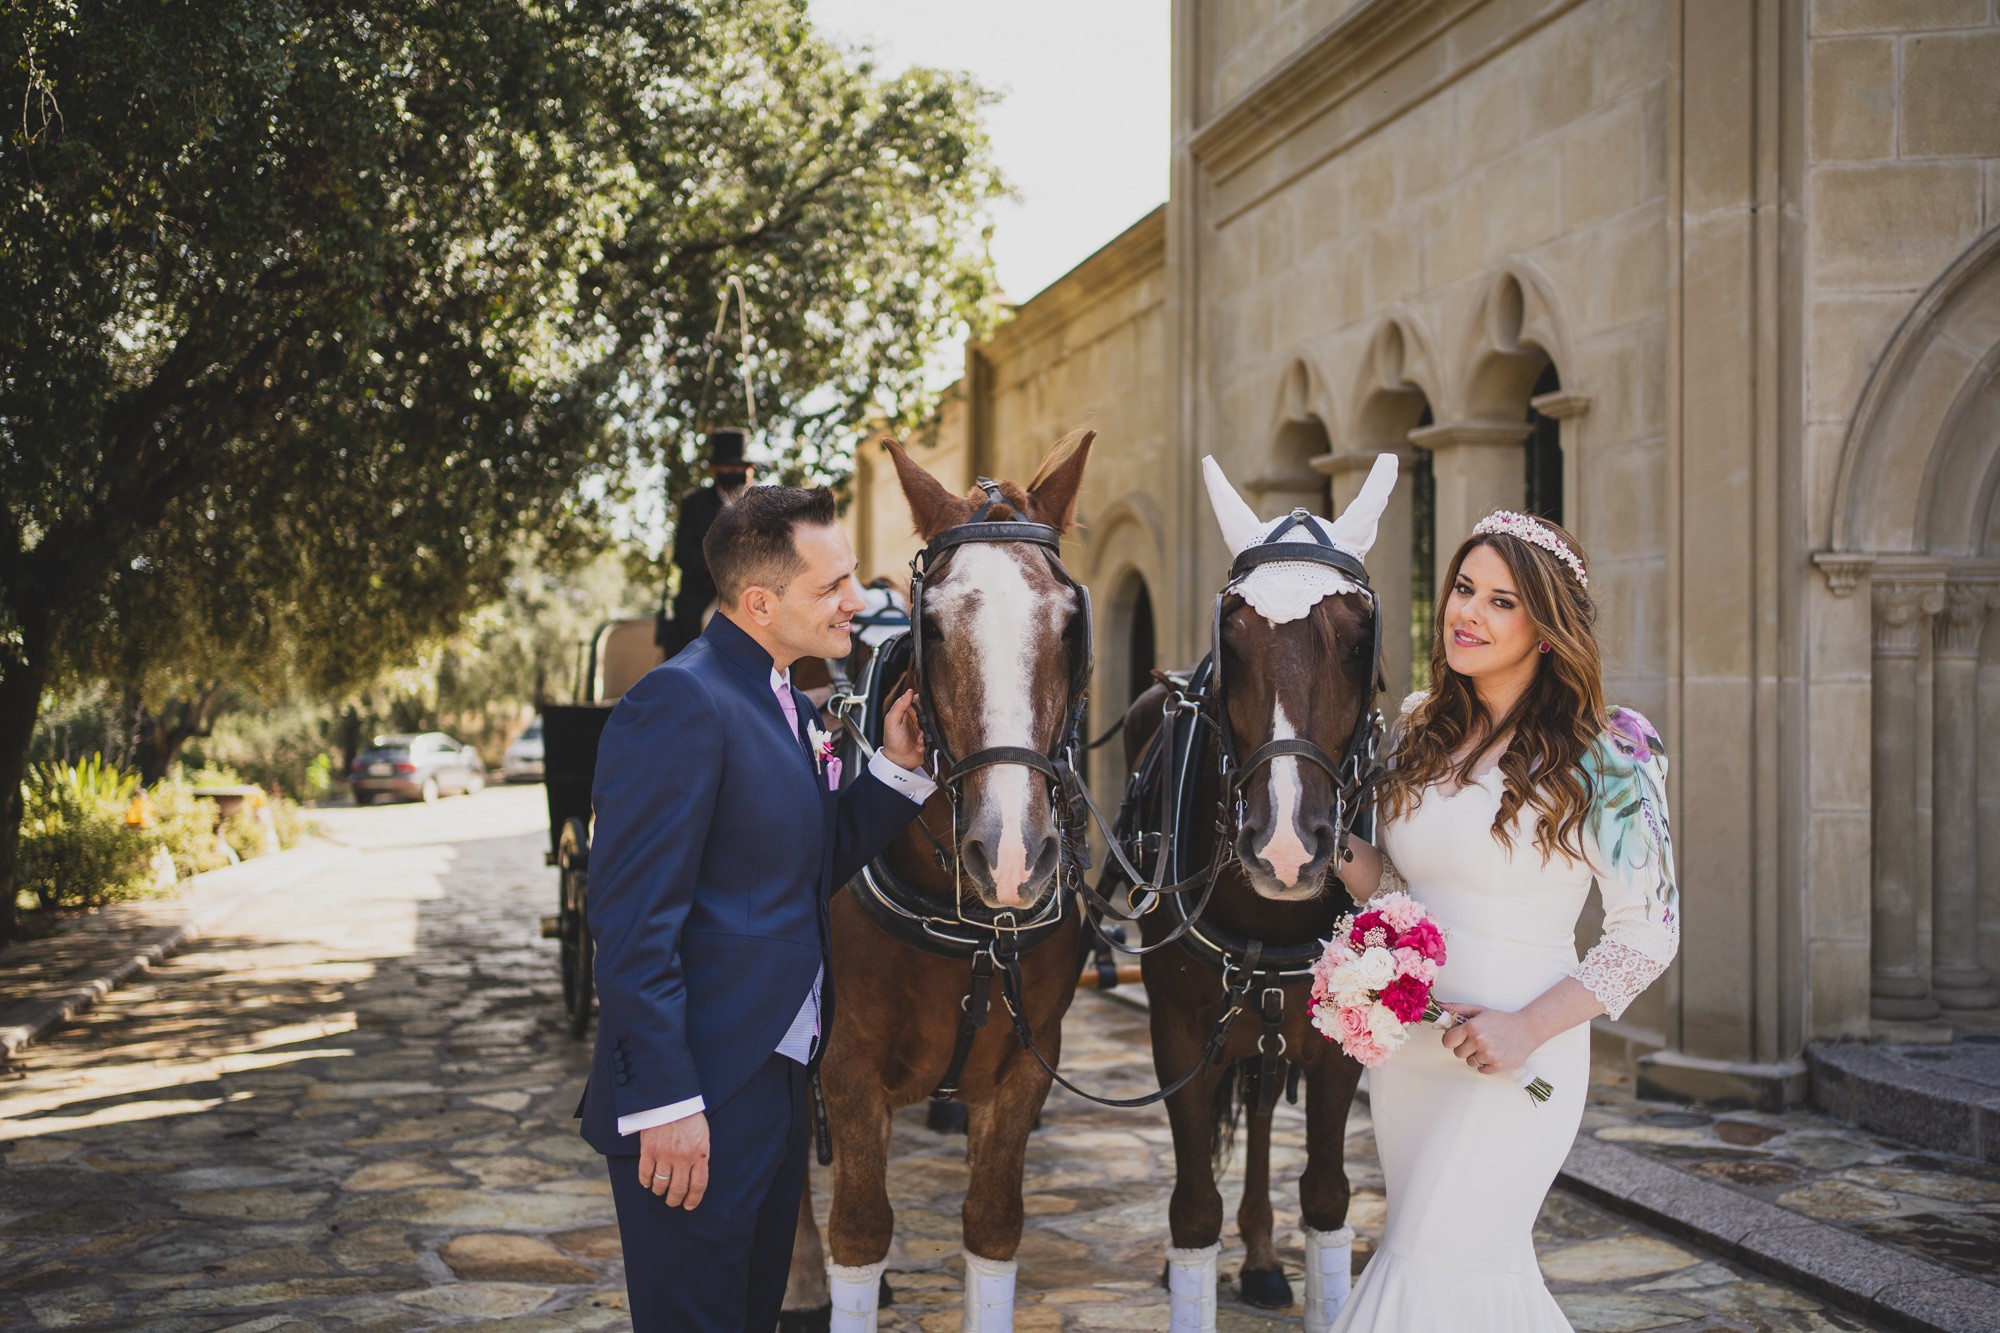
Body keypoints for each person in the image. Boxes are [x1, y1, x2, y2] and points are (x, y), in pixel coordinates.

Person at [579, 484, 936, 1330]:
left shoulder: (777, 696)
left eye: (852, 578)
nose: (857, 600)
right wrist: (665, 1104)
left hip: (774, 1078)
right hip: (696, 1095)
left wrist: (894, 769)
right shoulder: (678, 704)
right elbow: (632, 928)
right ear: (760, 602)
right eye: (833, 586)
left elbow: (796, 865)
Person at [1334, 511, 1679, 1331]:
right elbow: (1402, 888)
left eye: (1501, 601)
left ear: (1548, 629)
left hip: (1523, 1060)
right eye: (1463, 589)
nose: (1469, 613)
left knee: (1426, 1267)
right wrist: (1324, 851)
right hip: (1414, 1051)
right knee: (1472, 1276)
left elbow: (1648, 931)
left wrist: (1526, 1027)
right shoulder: (1421, 729)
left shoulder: (1610, 750)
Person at [659, 427, 754, 658]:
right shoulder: (695, 503)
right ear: (715, 469)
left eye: (739, 467)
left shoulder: (758, 503)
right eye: (728, 467)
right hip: (703, 594)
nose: (734, 472)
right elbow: (683, 552)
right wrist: (716, 571)